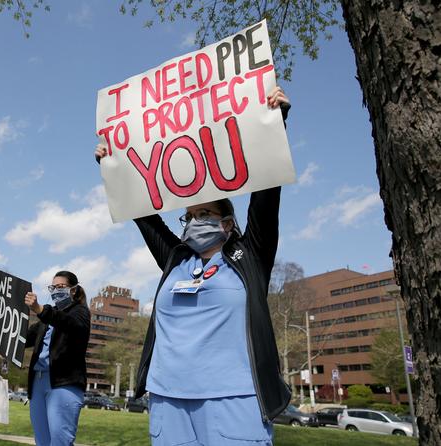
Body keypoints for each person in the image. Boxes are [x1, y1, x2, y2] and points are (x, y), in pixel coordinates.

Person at [94, 86, 291, 445]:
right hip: (168, 400)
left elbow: (266, 194)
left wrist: (275, 123)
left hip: (235, 402)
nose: (193, 221)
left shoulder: (250, 256)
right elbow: (145, 217)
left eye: (204, 214)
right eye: (188, 216)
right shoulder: (176, 259)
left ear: (227, 223)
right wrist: (112, 167)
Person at [24, 271, 91, 446]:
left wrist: (40, 309)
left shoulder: (80, 312)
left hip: (63, 384)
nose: (55, 291)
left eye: (61, 287)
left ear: (74, 290)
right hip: (38, 383)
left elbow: (69, 324)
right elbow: (24, 338)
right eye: (52, 287)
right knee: (42, 441)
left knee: (61, 441)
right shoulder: (47, 316)